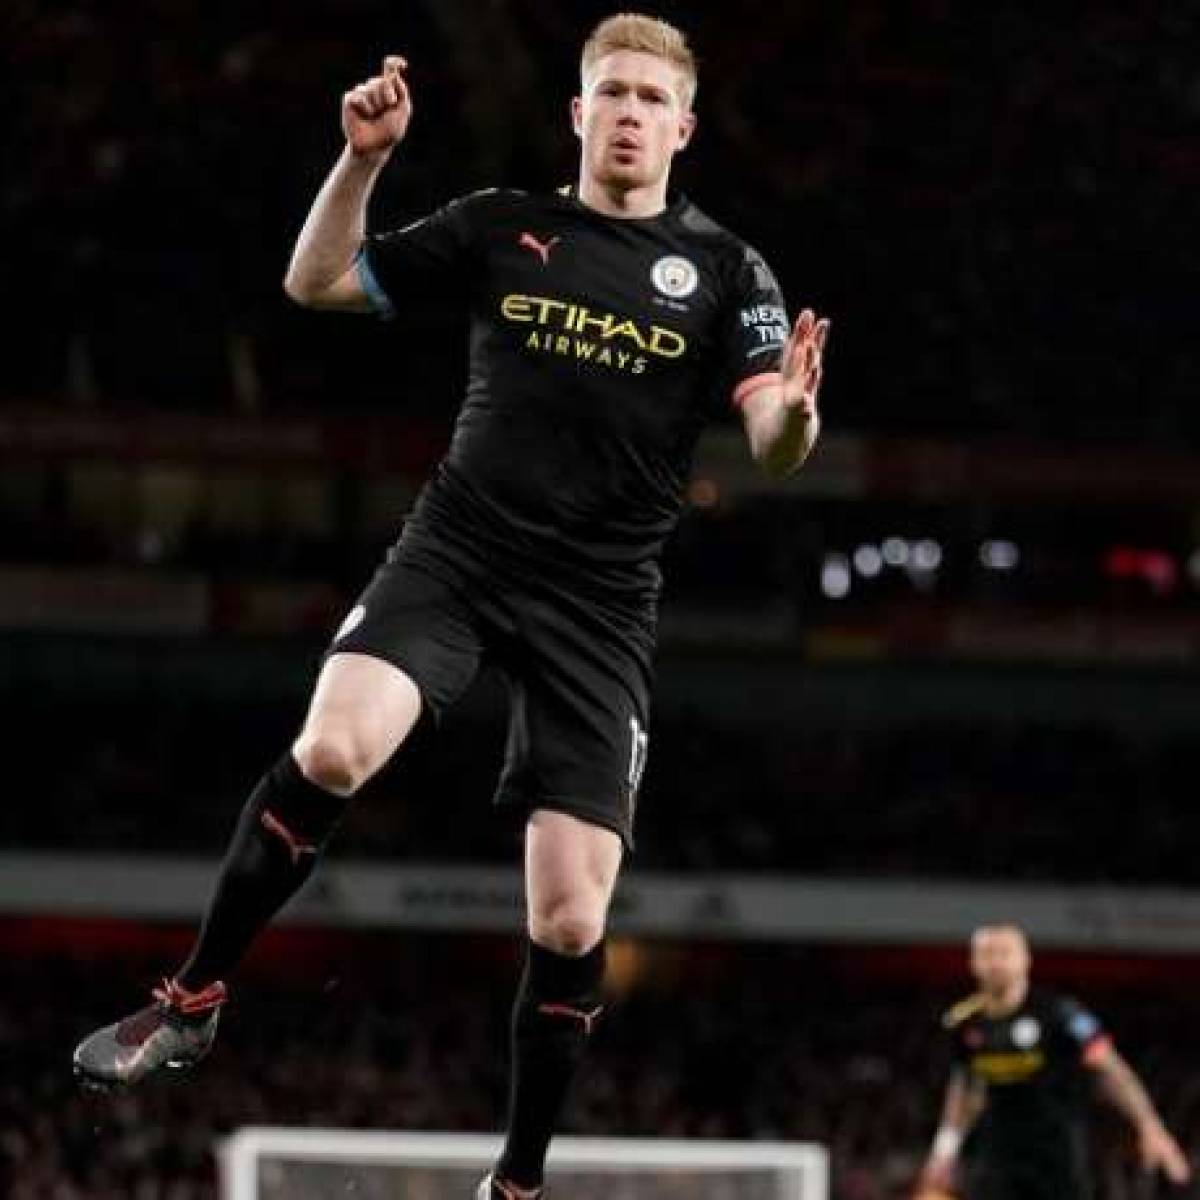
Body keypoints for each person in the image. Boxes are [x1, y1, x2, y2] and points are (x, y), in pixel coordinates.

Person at [72, 14, 829, 1198]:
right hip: (460, 553)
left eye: (652, 99)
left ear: (684, 128)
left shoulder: (730, 271)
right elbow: (317, 282)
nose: (630, 114)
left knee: (571, 921)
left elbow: (772, 436)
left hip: (599, 604)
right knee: (331, 747)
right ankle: (192, 1000)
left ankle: (515, 1185)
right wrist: (361, 161)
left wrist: (795, 415)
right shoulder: (498, 224)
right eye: (612, 93)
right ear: (579, 113)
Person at [919, 924, 1191, 1200]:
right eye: (987, 954)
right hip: (995, 1158)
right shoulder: (963, 1022)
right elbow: (965, 1088)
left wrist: (1148, 1124)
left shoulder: (1060, 1014)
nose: (996, 963)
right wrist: (944, 1150)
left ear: (1025, 960)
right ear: (973, 963)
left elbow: (1109, 1068)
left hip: (1058, 1157)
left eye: (1005, 953)